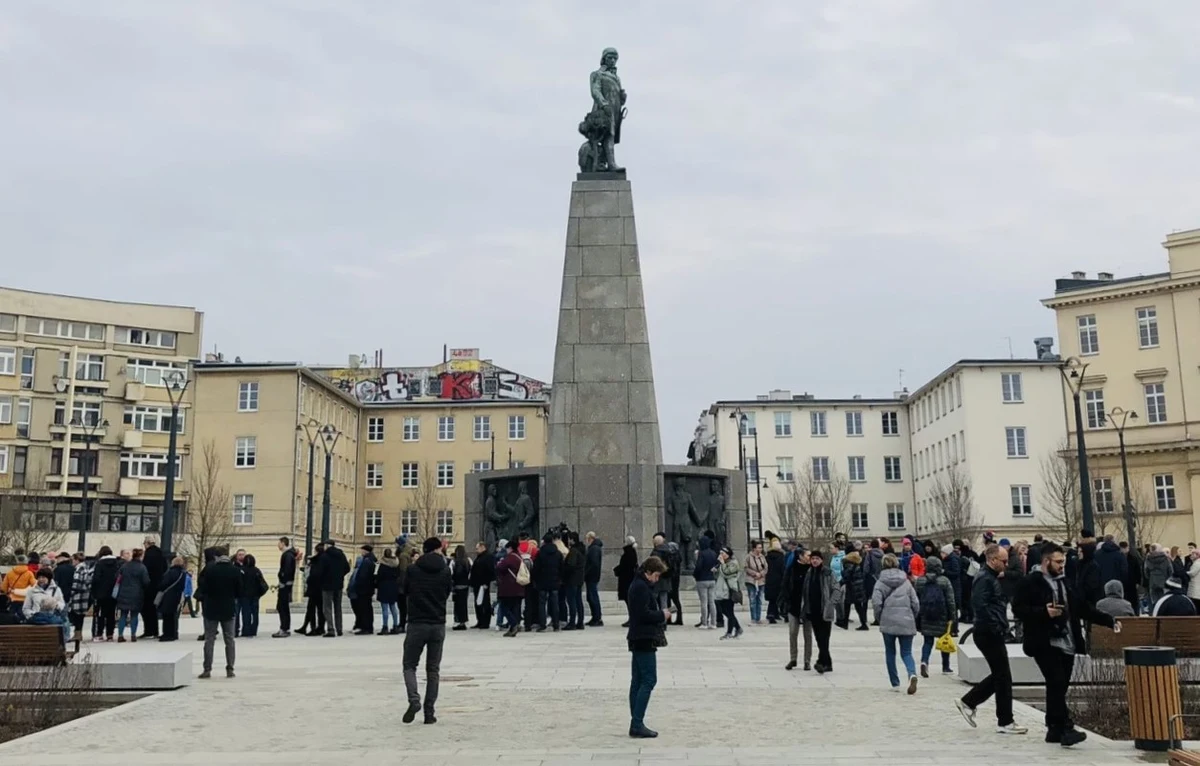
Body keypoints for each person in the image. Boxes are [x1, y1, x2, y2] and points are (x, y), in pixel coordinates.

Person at [1013, 542, 1118, 747]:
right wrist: (1044, 612)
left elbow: (1082, 608)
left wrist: (1109, 620)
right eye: (1058, 562)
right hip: (1044, 642)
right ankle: (1066, 728)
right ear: (1046, 561)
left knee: (1059, 687)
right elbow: (1018, 609)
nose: (1062, 565)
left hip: (1067, 642)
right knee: (1056, 681)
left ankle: (1054, 729)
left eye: (1063, 561)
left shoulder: (1066, 582)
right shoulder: (1031, 582)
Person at [957, 544, 1026, 734]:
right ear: (993, 560)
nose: (1006, 564)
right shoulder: (985, 579)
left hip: (989, 631)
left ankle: (970, 702)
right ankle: (1004, 720)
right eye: (1004, 561)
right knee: (1003, 676)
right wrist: (997, 626)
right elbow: (980, 606)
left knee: (1001, 675)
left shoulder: (989, 577)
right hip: (988, 632)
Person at [402, 537, 453, 725]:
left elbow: (404, 590)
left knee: (409, 665)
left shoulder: (413, 570)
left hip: (416, 623)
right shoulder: (445, 570)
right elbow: (447, 593)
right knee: (433, 669)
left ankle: (414, 699)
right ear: (438, 549)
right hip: (438, 623)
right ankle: (429, 712)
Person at [626, 555, 670, 739]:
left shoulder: (638, 584)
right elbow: (643, 614)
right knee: (649, 680)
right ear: (648, 572)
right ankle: (637, 723)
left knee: (637, 681)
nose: (657, 579)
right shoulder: (641, 587)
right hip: (643, 637)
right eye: (656, 575)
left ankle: (636, 721)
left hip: (637, 637)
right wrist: (662, 614)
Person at [871, 554, 920, 693]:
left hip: (888, 621)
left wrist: (880, 618)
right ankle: (912, 673)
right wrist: (912, 616)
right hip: (906, 620)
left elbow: (876, 603)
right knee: (906, 652)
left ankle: (895, 683)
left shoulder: (880, 582)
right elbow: (915, 602)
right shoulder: (906, 582)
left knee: (890, 652)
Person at [197, 546, 243, 679]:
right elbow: (240, 590)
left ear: (216, 557)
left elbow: (203, 588)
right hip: (228, 608)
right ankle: (230, 668)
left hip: (211, 608)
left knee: (209, 639)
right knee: (229, 639)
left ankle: (207, 669)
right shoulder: (234, 570)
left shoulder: (209, 570)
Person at [915, 554, 956, 676]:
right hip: (942, 615)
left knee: (927, 641)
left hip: (926, 614)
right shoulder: (944, 581)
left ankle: (924, 661)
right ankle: (946, 666)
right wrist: (952, 616)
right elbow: (950, 600)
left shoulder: (920, 581)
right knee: (945, 640)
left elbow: (916, 599)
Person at [803, 549, 837, 673]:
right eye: (812, 558)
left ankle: (821, 662)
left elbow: (836, 589)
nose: (815, 561)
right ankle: (827, 663)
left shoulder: (828, 573)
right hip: (813, 610)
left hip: (825, 610)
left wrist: (831, 603)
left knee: (824, 638)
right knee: (819, 638)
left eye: (817, 559)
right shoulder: (809, 573)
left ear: (821, 560)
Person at [781, 547, 812, 671]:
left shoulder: (812, 569)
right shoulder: (792, 569)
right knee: (793, 633)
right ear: (801, 556)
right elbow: (785, 585)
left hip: (808, 607)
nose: (810, 558)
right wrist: (786, 601)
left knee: (808, 634)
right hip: (793, 605)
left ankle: (807, 660)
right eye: (808, 555)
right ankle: (793, 658)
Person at [116, 548, 151, 642]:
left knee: (123, 615)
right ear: (140, 556)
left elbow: (118, 577)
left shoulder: (124, 566)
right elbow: (146, 581)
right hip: (137, 593)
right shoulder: (142, 567)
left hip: (123, 592)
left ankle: (120, 635)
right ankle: (133, 635)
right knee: (134, 615)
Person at [23, 569, 69, 640]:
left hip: (52, 621)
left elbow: (62, 604)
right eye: (39, 577)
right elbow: (26, 608)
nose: (41, 579)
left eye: (43, 577)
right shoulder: (31, 591)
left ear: (49, 578)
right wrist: (34, 614)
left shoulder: (56, 590)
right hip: (37, 623)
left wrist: (55, 604)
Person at [532, 533, 563, 631]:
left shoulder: (540, 553)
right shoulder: (558, 553)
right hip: (555, 581)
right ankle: (556, 624)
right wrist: (559, 579)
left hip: (542, 582)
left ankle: (542, 624)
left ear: (544, 542)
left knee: (542, 604)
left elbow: (536, 568)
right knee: (555, 603)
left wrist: (535, 579)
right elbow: (561, 568)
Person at [320, 539, 350, 637]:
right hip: (339, 585)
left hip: (327, 585)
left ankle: (330, 629)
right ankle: (339, 628)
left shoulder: (324, 556)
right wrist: (340, 575)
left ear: (327, 546)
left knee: (327, 608)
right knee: (338, 607)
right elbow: (347, 568)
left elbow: (320, 570)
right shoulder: (341, 555)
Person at [495, 539, 526, 638]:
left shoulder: (510, 558)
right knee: (514, 608)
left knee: (504, 607)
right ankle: (513, 627)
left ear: (510, 548)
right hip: (518, 587)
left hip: (509, 588)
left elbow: (499, 567)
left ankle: (513, 624)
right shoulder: (519, 557)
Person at [714, 546, 743, 639]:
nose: (721, 555)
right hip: (721, 591)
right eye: (720, 553)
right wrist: (715, 570)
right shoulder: (722, 563)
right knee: (724, 610)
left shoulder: (733, 563)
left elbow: (727, 573)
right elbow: (719, 576)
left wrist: (722, 564)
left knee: (729, 612)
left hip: (729, 590)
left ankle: (729, 632)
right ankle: (738, 628)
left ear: (728, 554)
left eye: (723, 553)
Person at [140, 537, 167, 639]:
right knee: (154, 609)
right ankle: (155, 631)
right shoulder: (161, 553)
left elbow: (145, 570)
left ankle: (149, 630)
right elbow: (165, 567)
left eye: (144, 544)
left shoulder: (148, 554)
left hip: (149, 585)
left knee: (146, 608)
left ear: (147, 544)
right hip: (158, 584)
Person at [156, 556, 187, 642]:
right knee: (173, 615)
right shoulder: (183, 573)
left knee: (167, 616)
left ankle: (167, 634)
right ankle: (174, 633)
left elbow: (164, 584)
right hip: (177, 596)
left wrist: (159, 587)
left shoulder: (170, 572)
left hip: (168, 595)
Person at [273, 537, 298, 638]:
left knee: (282, 606)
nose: (278, 545)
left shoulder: (287, 555)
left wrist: (283, 581)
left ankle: (284, 628)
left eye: (279, 543)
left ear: (283, 543)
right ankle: (285, 628)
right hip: (286, 583)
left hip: (285, 584)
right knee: (283, 606)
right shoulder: (290, 554)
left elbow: (287, 570)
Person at [349, 545, 378, 635]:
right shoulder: (371, 560)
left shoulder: (366, 561)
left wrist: (358, 585)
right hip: (368, 588)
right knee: (367, 608)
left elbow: (363, 576)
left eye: (362, 550)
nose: (361, 552)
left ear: (366, 551)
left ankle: (366, 627)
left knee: (365, 608)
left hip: (364, 589)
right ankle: (368, 626)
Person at [239, 554, 268, 638]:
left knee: (246, 613)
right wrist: (259, 594)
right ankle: (254, 630)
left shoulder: (242, 570)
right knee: (255, 613)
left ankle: (246, 630)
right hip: (255, 595)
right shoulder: (256, 570)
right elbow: (262, 583)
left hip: (244, 595)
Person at [299, 543, 326, 636]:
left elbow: (314, 574)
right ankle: (318, 627)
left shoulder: (316, 560)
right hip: (322, 588)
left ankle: (314, 628)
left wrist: (309, 581)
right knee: (319, 609)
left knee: (311, 608)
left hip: (314, 588)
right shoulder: (325, 559)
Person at [693, 536, 718, 629]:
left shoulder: (702, 553)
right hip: (712, 579)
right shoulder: (713, 553)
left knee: (704, 602)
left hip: (702, 579)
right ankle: (713, 623)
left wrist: (695, 575)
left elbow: (699, 566)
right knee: (712, 602)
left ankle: (704, 623)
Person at [375, 548, 402, 635]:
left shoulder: (383, 564)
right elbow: (398, 575)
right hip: (393, 586)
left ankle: (385, 627)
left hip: (384, 587)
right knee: (393, 607)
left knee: (385, 608)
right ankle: (395, 626)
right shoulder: (396, 563)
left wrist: (376, 584)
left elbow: (379, 576)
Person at [1, 552, 37, 617]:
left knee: (12, 617)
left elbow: (4, 587)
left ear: (17, 561)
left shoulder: (9, 573)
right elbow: (34, 585)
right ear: (26, 561)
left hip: (12, 598)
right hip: (25, 599)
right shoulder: (29, 573)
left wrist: (8, 592)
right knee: (23, 616)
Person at [469, 541, 495, 630]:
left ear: (482, 547)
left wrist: (486, 582)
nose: (476, 550)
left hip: (483, 584)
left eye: (477, 548)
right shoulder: (479, 557)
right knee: (478, 603)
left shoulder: (488, 557)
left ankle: (485, 622)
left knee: (484, 603)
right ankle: (479, 621)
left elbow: (490, 570)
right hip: (477, 583)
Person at [840, 549, 868, 630]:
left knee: (847, 605)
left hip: (851, 588)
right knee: (857, 606)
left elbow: (846, 577)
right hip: (858, 587)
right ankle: (863, 623)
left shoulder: (849, 566)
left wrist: (839, 584)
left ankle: (845, 623)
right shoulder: (857, 565)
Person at [563, 532, 587, 630]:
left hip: (572, 580)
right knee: (578, 601)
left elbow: (571, 565)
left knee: (572, 601)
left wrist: (564, 569)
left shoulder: (573, 551)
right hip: (579, 579)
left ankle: (572, 622)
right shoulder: (581, 550)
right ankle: (580, 622)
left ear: (572, 540)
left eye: (569, 539)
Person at [69, 553, 94, 640]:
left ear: (76, 560)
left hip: (78, 596)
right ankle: (78, 634)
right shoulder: (86, 568)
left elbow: (76, 583)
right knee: (80, 616)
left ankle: (77, 634)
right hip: (85, 595)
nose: (72, 562)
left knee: (76, 616)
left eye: (73, 560)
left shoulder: (79, 569)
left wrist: (71, 593)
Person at [614, 537, 638, 626]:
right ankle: (632, 618)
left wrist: (618, 570)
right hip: (628, 579)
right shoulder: (631, 552)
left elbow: (625, 566)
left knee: (629, 600)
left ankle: (632, 619)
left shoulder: (628, 553)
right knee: (629, 600)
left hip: (626, 580)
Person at [743, 540, 767, 625]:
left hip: (761, 581)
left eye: (761, 548)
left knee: (759, 600)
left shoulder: (762, 557)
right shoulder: (748, 557)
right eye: (759, 547)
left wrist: (761, 574)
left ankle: (758, 618)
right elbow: (746, 568)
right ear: (754, 548)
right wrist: (754, 573)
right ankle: (753, 618)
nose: (760, 549)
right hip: (751, 581)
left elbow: (766, 568)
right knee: (752, 599)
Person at [764, 537, 785, 624]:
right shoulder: (781, 557)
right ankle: (772, 614)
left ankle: (773, 613)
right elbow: (783, 569)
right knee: (777, 598)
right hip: (779, 579)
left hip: (769, 579)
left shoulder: (767, 557)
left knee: (772, 598)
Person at [584, 531, 604, 627]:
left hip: (592, 576)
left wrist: (586, 572)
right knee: (591, 596)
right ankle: (595, 617)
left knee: (592, 596)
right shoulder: (594, 548)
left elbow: (593, 563)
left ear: (590, 538)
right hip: (592, 576)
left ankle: (597, 617)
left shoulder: (594, 548)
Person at [450, 545, 471, 631]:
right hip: (465, 585)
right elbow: (470, 573)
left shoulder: (454, 561)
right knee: (464, 604)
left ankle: (458, 621)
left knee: (457, 604)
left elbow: (451, 573)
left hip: (457, 585)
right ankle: (464, 620)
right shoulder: (468, 560)